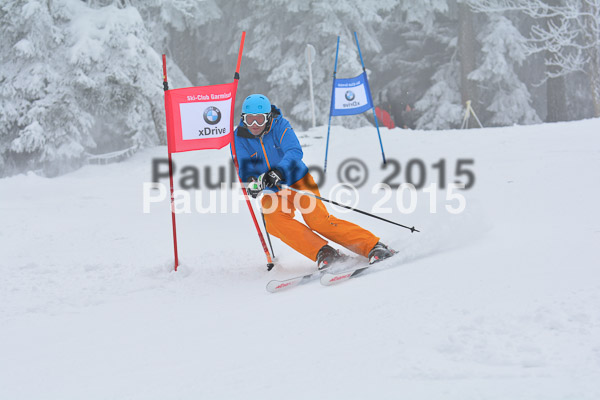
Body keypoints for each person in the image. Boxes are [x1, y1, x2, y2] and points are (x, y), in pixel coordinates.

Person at [233, 94, 394, 270]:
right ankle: (324, 252)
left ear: (268, 117)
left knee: (318, 221)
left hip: (298, 180)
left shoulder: (280, 126)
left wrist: (278, 171)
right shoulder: (240, 137)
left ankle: (373, 246)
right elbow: (245, 166)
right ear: (243, 119)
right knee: (273, 220)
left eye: (259, 119)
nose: (254, 125)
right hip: (272, 189)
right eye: (249, 120)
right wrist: (251, 182)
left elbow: (294, 152)